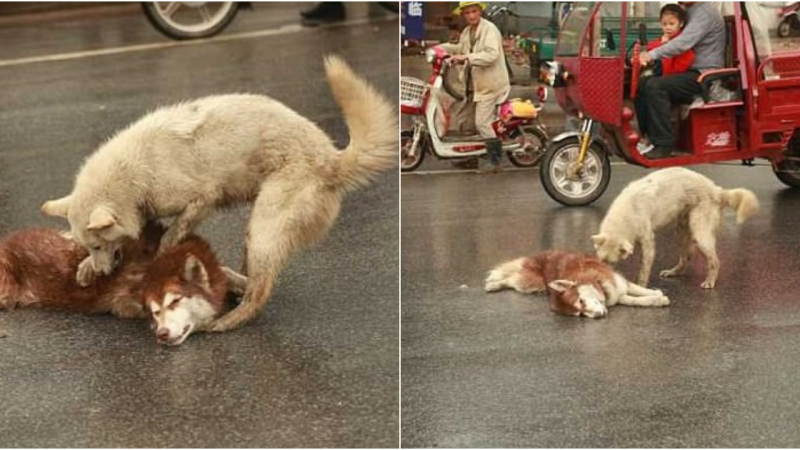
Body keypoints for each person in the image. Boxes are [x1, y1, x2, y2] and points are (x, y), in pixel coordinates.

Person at [637, 2, 726, 159]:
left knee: (656, 86)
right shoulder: (690, 11)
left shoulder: (704, 12)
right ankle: (647, 137)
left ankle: (664, 144)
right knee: (644, 82)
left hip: (704, 74)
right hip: (690, 71)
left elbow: (683, 42)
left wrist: (652, 54)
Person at [439, 1, 511, 172]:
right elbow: (460, 48)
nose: (471, 16)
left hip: (490, 85)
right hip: (472, 86)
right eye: (467, 13)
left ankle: (495, 161)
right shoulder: (466, 32)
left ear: (480, 12)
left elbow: (491, 54)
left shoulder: (490, 30)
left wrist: (466, 58)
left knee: (482, 123)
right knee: (464, 122)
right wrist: (439, 49)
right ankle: (470, 158)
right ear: (463, 15)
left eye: (474, 11)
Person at [635, 3, 696, 155]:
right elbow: (652, 48)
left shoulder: (681, 42)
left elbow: (679, 64)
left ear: (680, 24)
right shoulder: (664, 40)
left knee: (654, 86)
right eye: (664, 24)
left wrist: (663, 47)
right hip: (669, 75)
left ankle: (663, 142)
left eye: (671, 24)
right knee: (642, 85)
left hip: (683, 79)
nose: (668, 27)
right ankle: (646, 134)